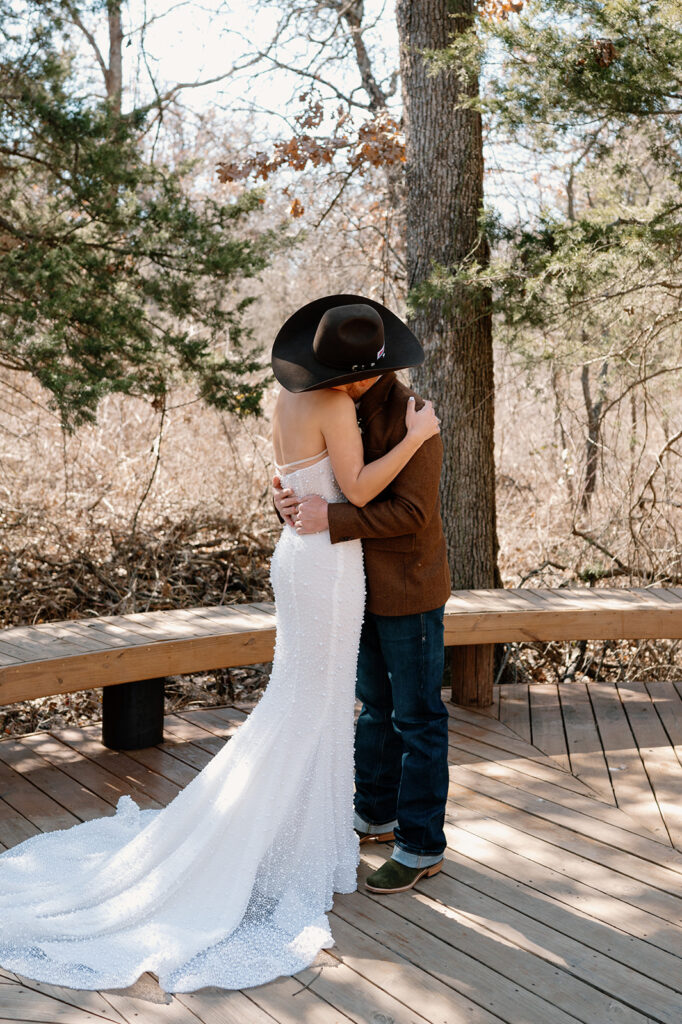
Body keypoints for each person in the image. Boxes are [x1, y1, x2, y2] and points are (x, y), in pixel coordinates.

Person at [0, 295, 438, 994]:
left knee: (308, 701)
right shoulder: (331, 406)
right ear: (348, 371)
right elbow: (354, 487)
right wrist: (416, 438)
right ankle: (271, 846)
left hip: (298, 554)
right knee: (309, 706)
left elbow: (295, 481)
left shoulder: (286, 397)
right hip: (325, 563)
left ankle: (304, 840)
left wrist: (299, 499)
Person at [274, 298, 451, 896]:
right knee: (375, 707)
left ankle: (422, 843)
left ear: (368, 372)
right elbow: (312, 480)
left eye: (338, 376)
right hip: (351, 584)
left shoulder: (412, 416)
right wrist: (293, 504)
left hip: (408, 586)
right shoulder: (332, 405)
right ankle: (375, 814)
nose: (327, 384)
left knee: (418, 716)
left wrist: (332, 517)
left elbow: (413, 513)